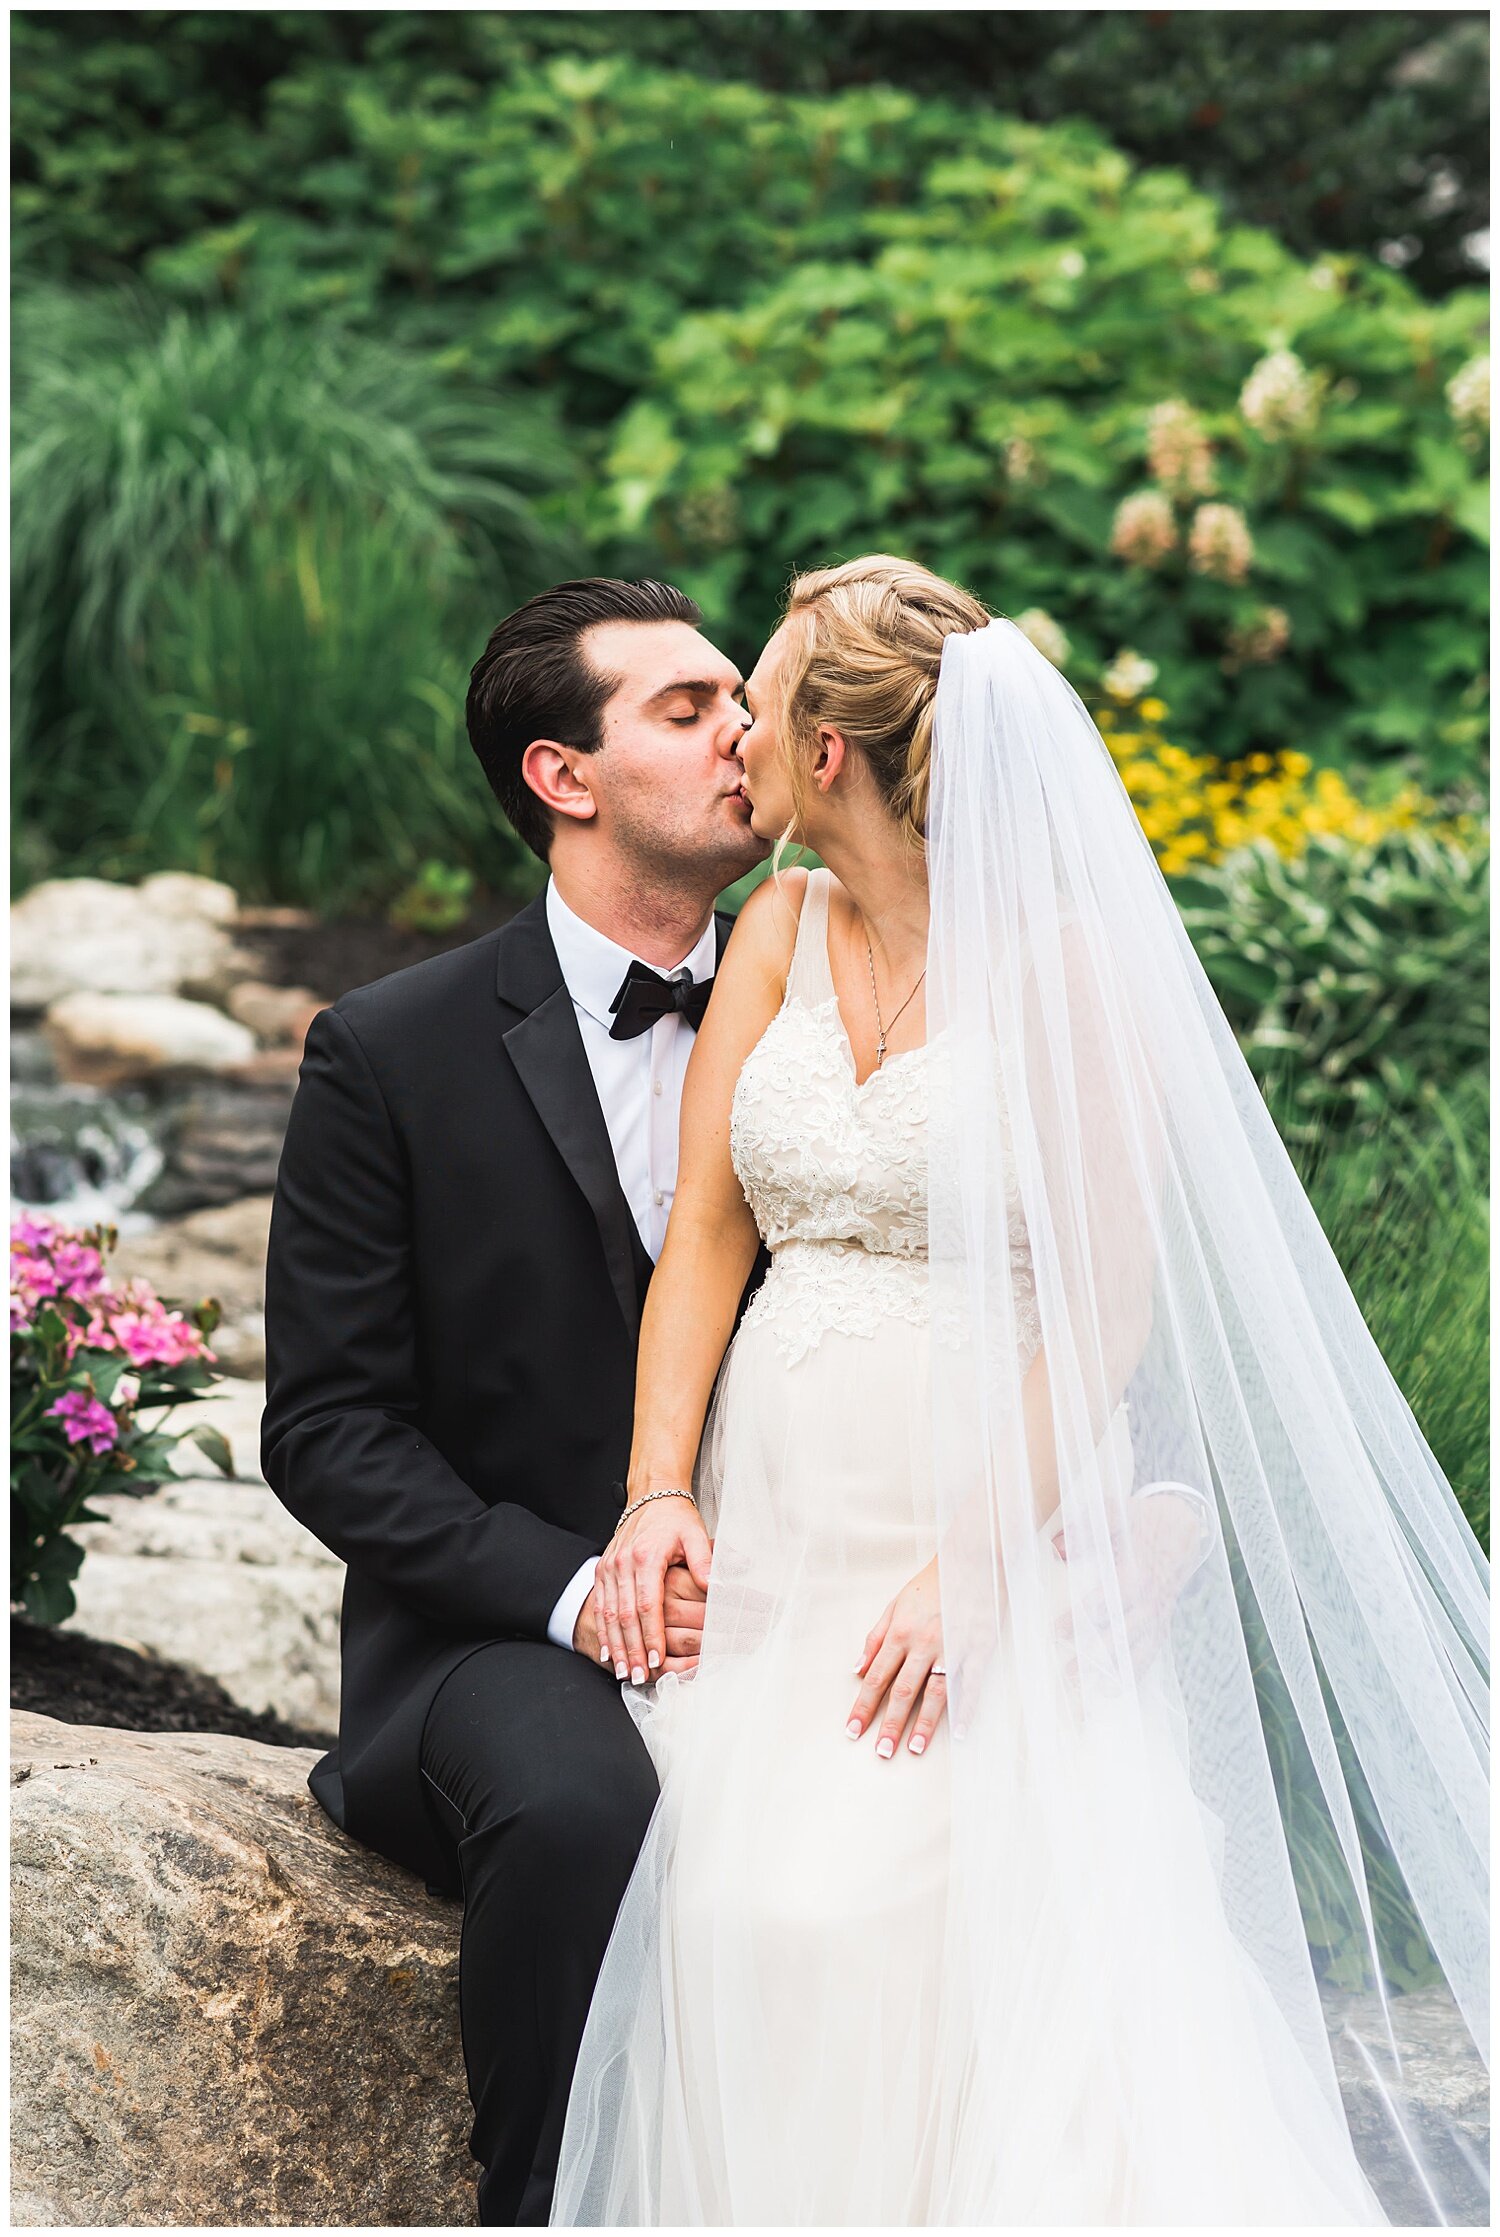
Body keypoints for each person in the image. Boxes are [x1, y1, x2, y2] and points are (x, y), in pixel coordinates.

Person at [549, 557, 1489, 2224]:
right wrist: (657, 1488)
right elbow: (704, 1233)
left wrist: (978, 1559)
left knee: (932, 1903)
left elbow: (1111, 1304)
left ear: (830, 749)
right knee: (734, 1909)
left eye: (756, 697)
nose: (737, 731)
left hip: (971, 1508)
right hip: (779, 1528)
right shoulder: (775, 928)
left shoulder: (1063, 963)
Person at [260, 576, 769, 2225]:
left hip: (789, 1587)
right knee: (578, 1809)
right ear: (566, 777)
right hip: (496, 1638)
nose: (742, 733)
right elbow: (326, 1426)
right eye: (687, 711)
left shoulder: (840, 1018)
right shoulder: (388, 1051)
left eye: (741, 700)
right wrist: (570, 1593)